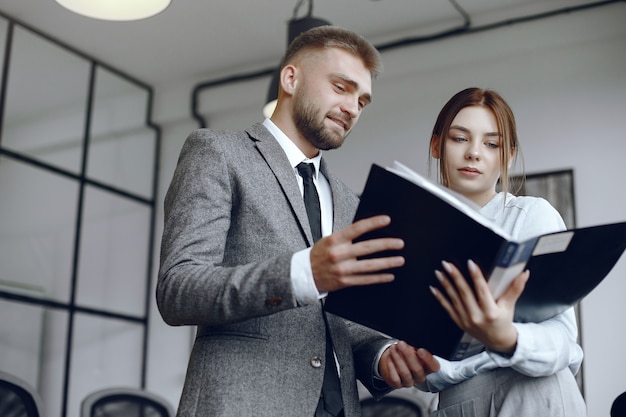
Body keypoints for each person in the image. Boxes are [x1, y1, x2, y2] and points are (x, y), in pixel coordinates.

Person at [157, 25, 439, 417]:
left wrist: (381, 355)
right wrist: (303, 273)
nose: (353, 108)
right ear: (290, 78)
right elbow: (178, 289)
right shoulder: (219, 153)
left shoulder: (348, 200)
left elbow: (340, 321)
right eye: (341, 87)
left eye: (362, 100)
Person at [416, 87, 587, 416]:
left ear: (507, 156)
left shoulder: (532, 216)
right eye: (459, 138)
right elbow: (423, 371)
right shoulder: (418, 235)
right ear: (436, 145)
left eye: (491, 144)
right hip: (455, 405)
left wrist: (506, 338)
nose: (474, 154)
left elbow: (563, 341)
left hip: (535, 394)